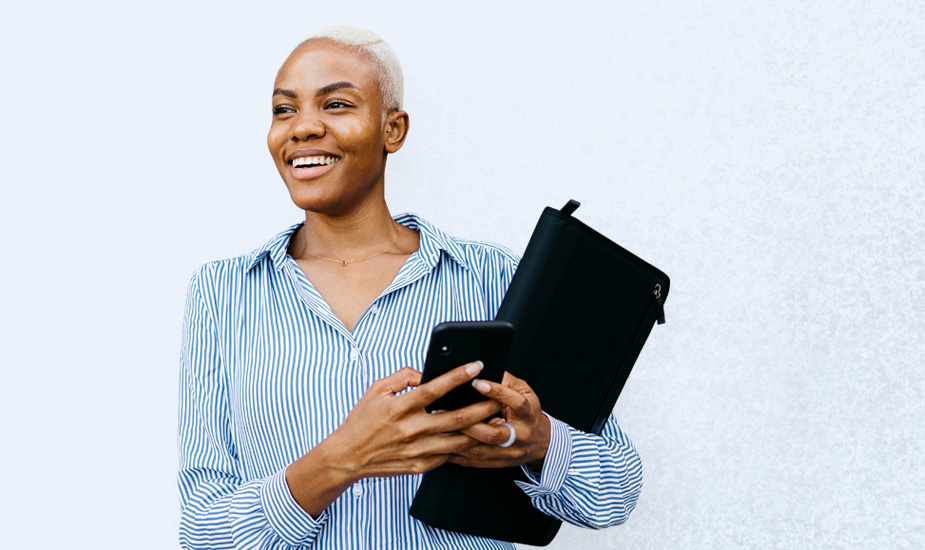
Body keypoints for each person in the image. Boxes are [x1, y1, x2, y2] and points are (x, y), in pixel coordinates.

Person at [178, 26, 643, 549]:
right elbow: (203, 531)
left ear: (392, 129)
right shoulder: (223, 293)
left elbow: (617, 491)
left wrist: (540, 441)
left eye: (335, 104)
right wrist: (340, 460)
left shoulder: (489, 275)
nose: (303, 127)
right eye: (284, 110)